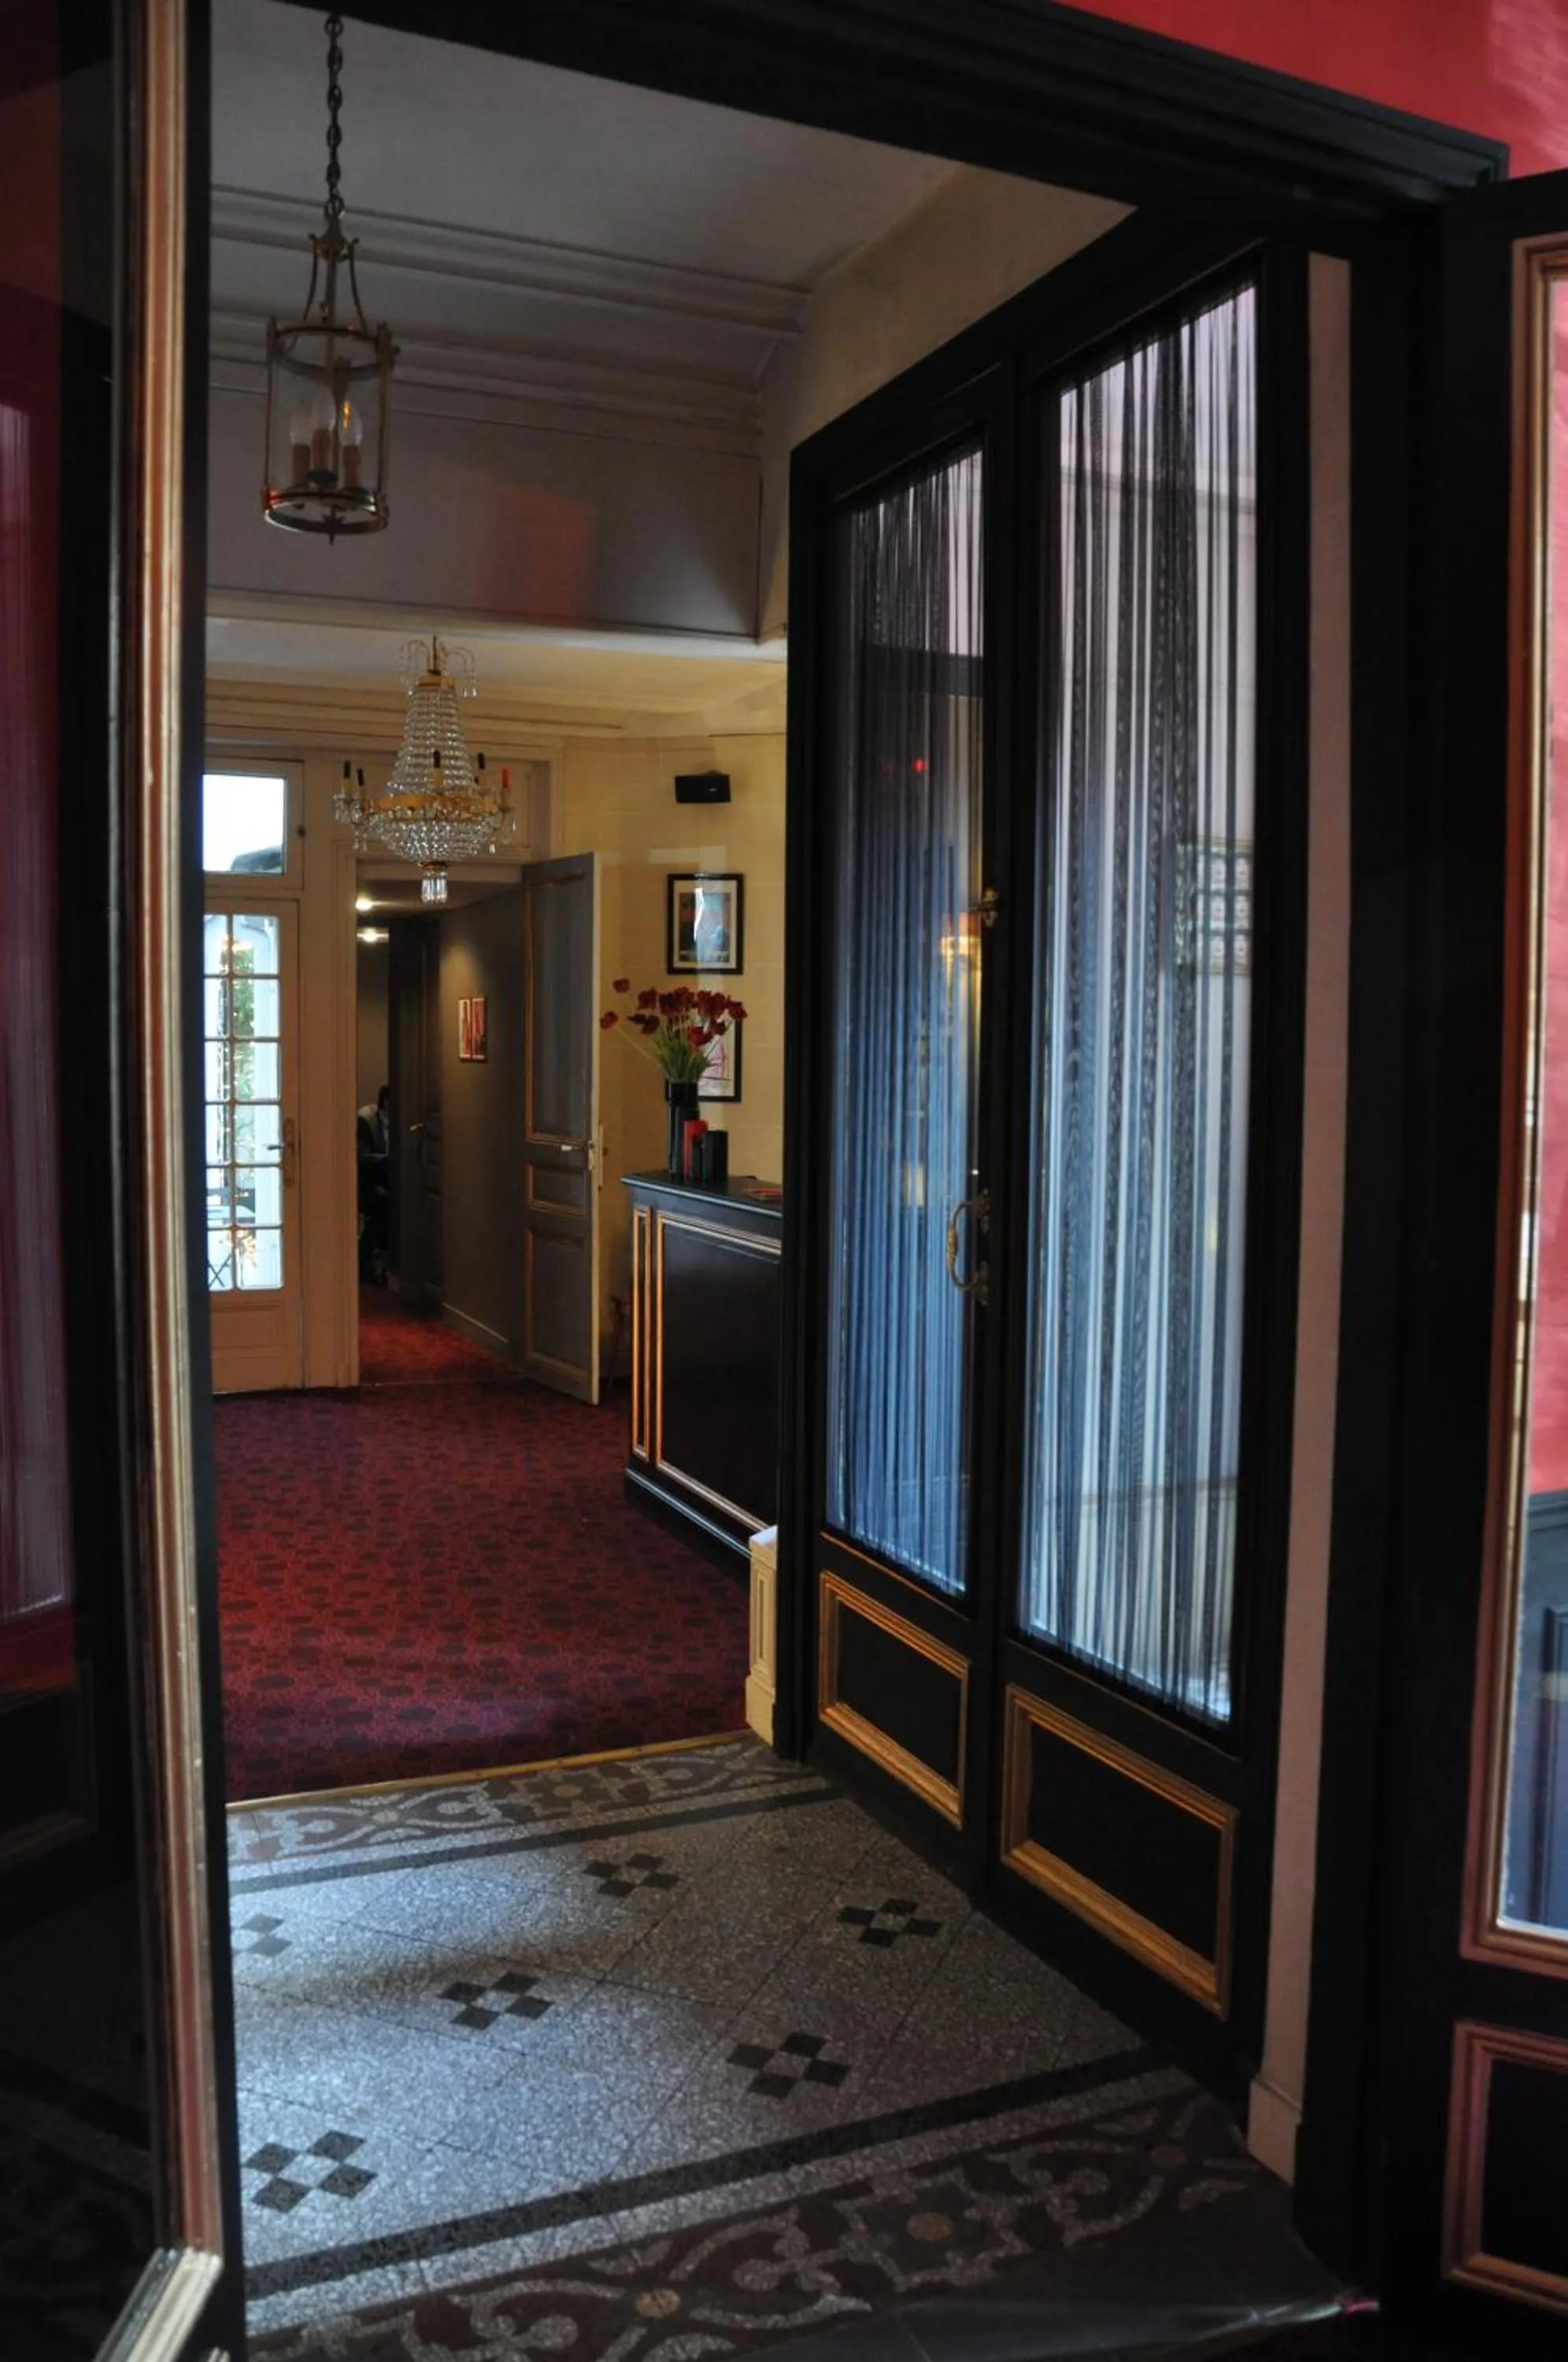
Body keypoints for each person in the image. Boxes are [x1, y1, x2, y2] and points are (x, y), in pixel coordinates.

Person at [357, 1083, 390, 1283]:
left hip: (387, 1178)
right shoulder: (366, 1120)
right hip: (369, 1182)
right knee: (384, 1204)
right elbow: (362, 1158)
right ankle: (373, 1264)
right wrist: (389, 1159)